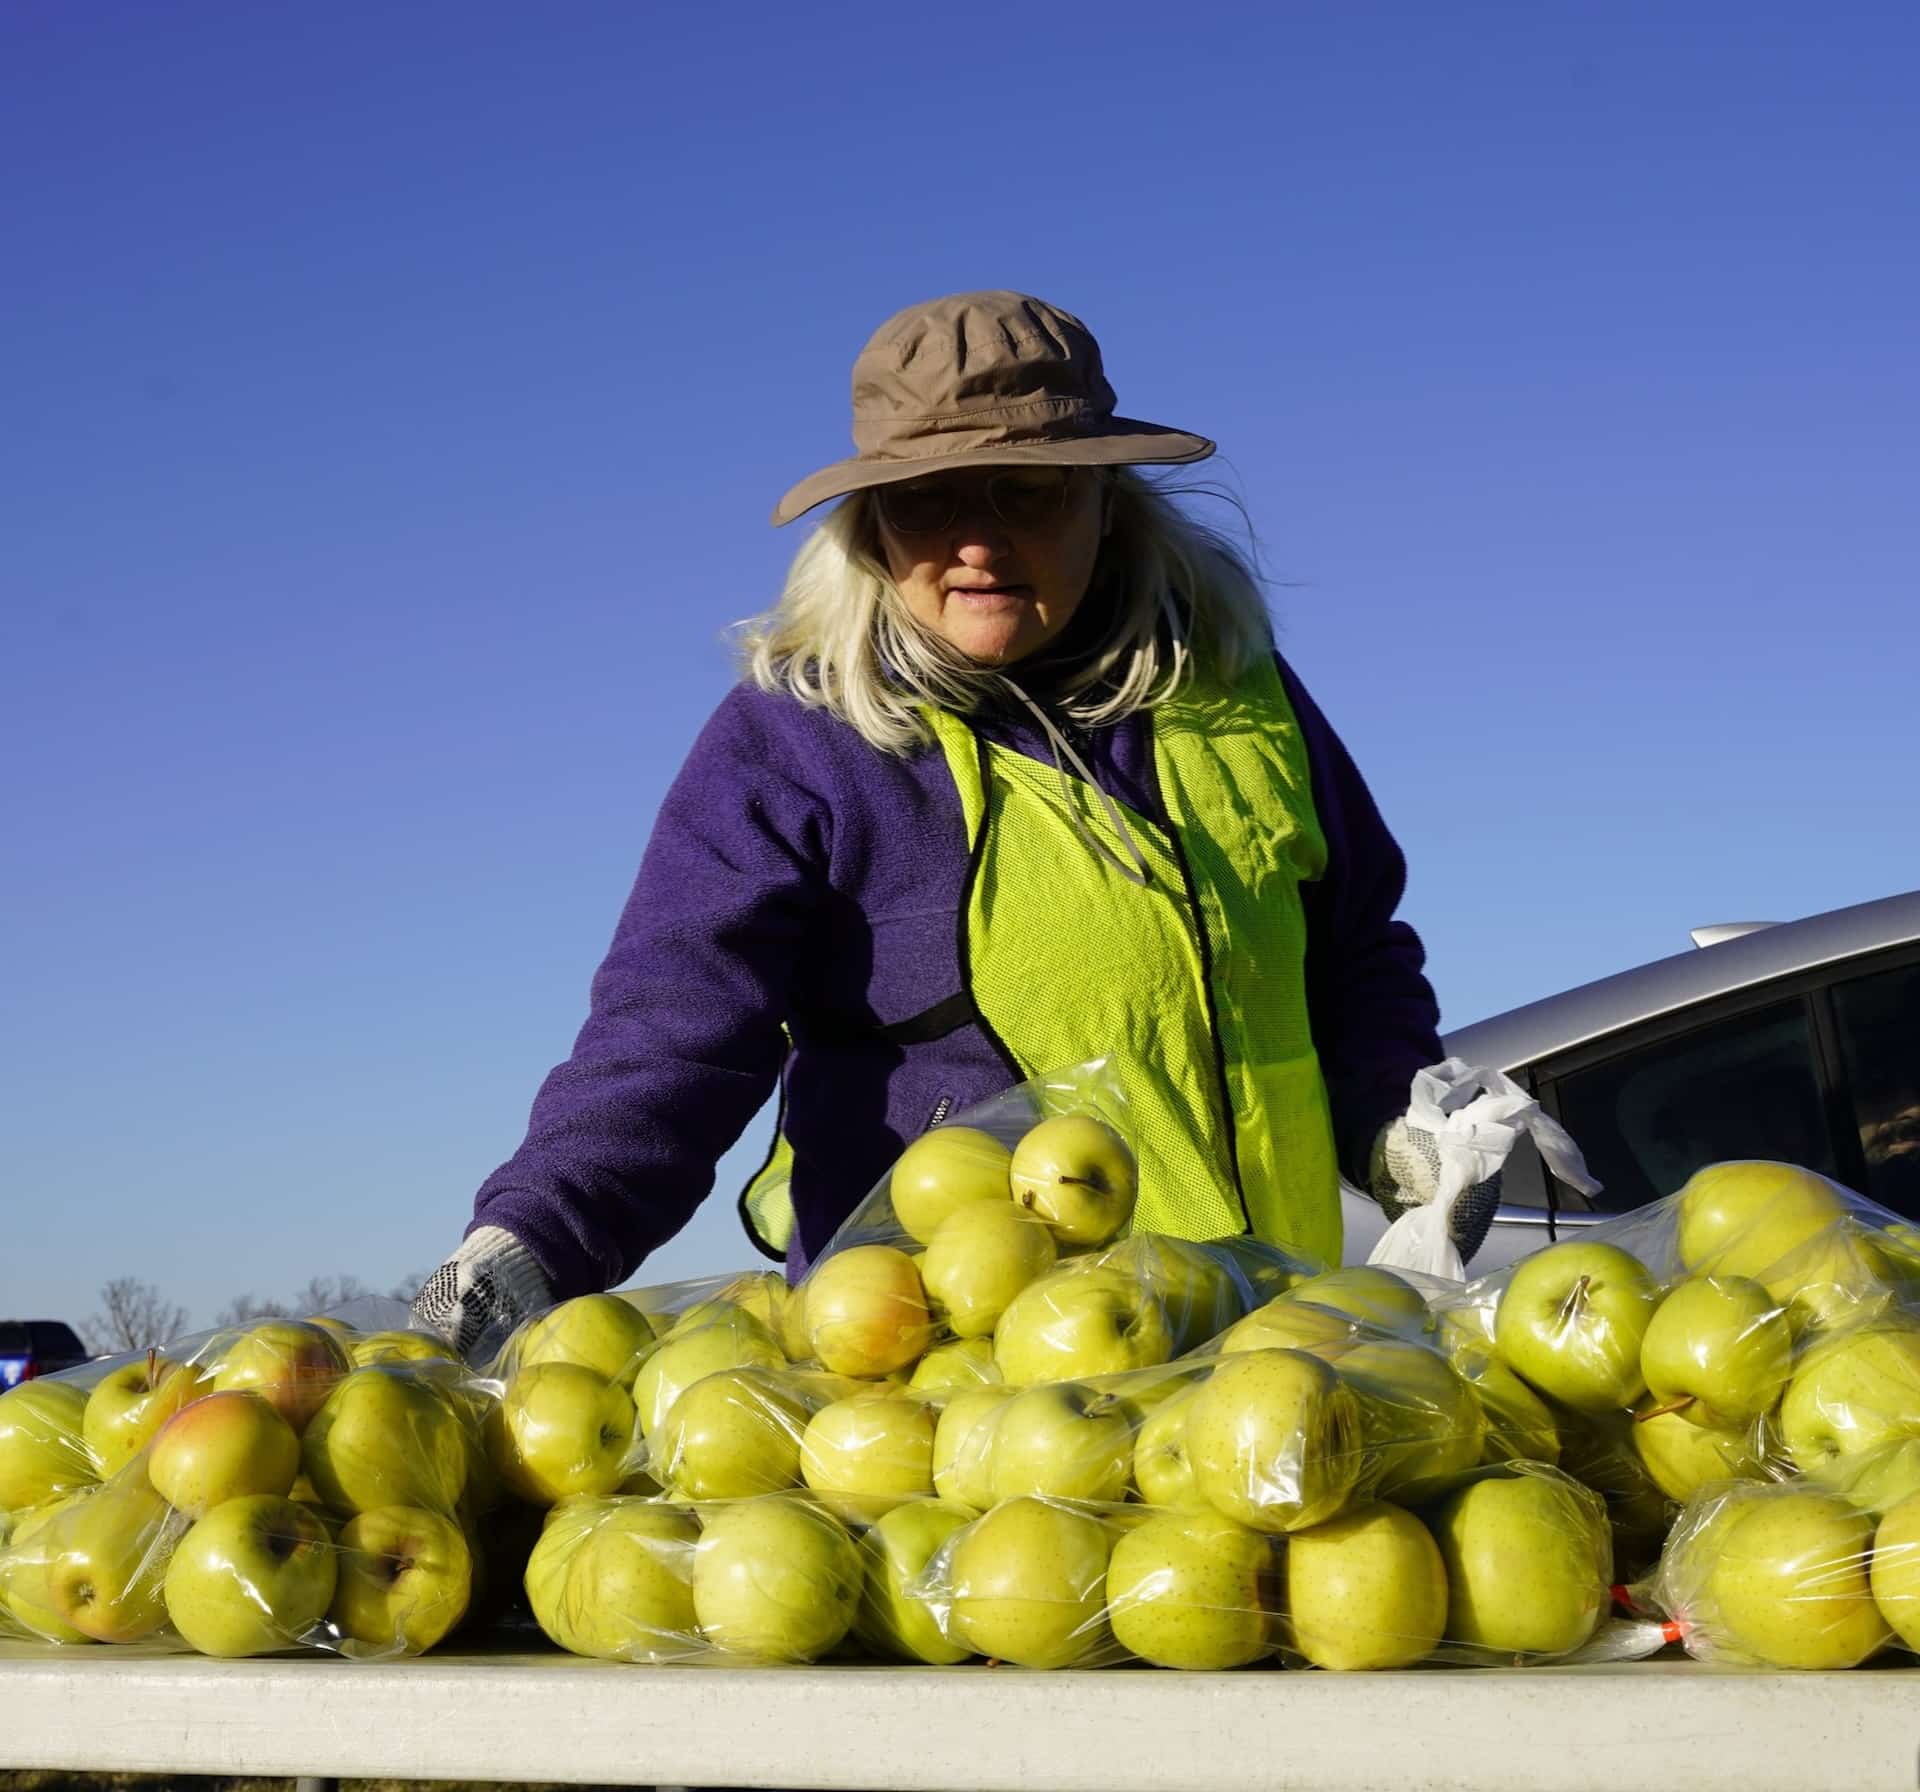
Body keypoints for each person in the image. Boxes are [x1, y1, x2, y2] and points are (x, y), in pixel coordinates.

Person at [412, 290, 1494, 1355]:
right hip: (949, 1392)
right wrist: (527, 1242)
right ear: (871, 527)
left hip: (1264, 1347)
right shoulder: (798, 742)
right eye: (926, 500)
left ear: (1108, 500)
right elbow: (670, 1029)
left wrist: (1393, 1120)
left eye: (1026, 489)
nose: (977, 542)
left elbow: (1353, 952)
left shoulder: (1237, 692)